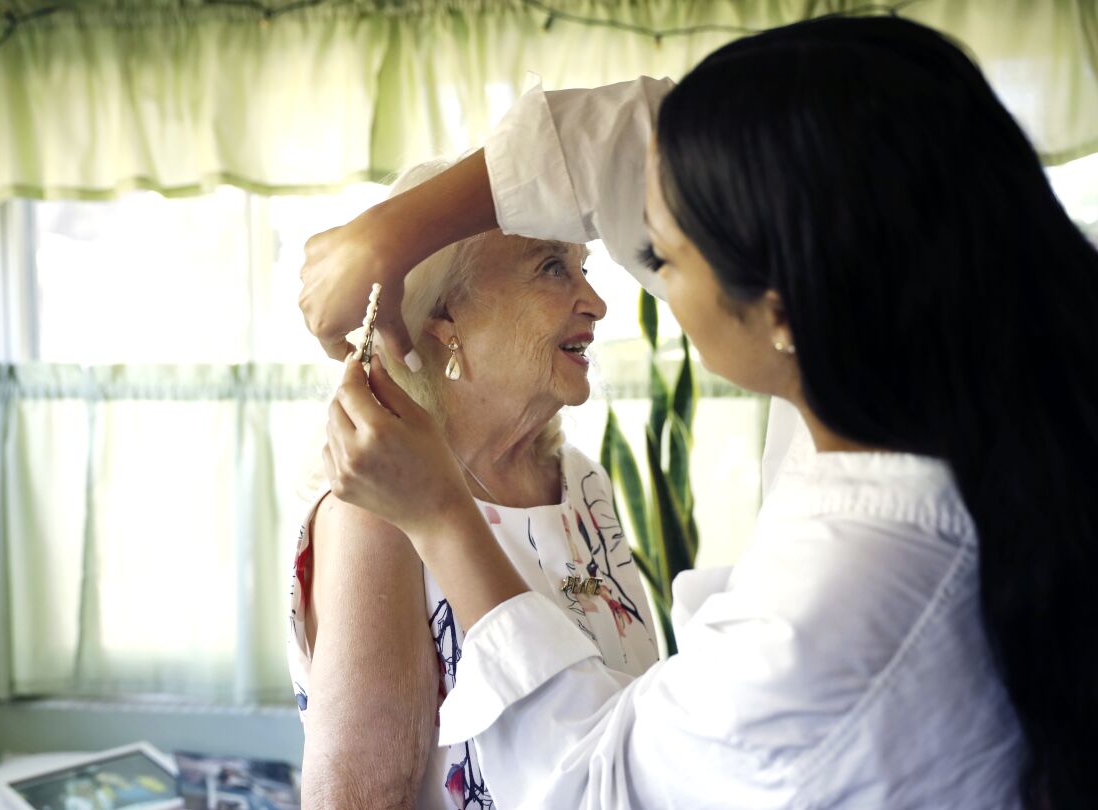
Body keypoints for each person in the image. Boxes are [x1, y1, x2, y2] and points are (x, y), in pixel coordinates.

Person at [304, 15, 1098, 810]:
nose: (617, 293)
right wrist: (388, 235)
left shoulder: (838, 598)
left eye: (662, 256)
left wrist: (444, 515)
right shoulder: (1000, 418)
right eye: (556, 266)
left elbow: (599, 786)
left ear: (783, 307)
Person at [289, 161, 659, 809]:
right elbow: (363, 798)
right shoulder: (376, 507)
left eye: (584, 267)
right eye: (551, 267)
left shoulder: (581, 485)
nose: (596, 303)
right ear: (443, 315)